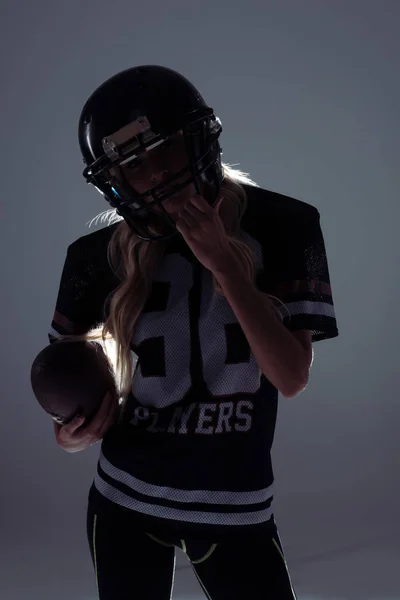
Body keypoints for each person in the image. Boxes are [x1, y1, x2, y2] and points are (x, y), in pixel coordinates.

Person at [49, 65, 339, 599]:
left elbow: (291, 376)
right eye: (132, 165)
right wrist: (72, 432)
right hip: (124, 499)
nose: (154, 174)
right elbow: (81, 391)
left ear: (200, 138)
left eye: (164, 148)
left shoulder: (287, 225)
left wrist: (227, 267)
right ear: (112, 181)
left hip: (234, 505)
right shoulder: (92, 257)